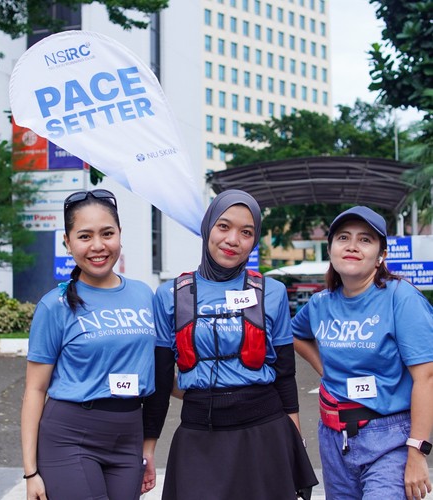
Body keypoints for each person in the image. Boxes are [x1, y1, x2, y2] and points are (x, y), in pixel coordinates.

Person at [142, 189, 318, 500]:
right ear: (207, 228)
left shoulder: (272, 292)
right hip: (199, 434)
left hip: (265, 433)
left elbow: (285, 375)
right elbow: (160, 379)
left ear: (255, 240)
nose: (233, 239)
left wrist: (296, 445)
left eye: (246, 232)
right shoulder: (170, 295)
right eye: (223, 226)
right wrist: (148, 448)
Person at [21, 189, 157, 500]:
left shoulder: (144, 295)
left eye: (107, 233)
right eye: (85, 236)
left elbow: (157, 371)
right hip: (70, 437)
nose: (98, 246)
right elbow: (35, 390)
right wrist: (30, 472)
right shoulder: (54, 305)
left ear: (120, 234)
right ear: (68, 243)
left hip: (128, 434)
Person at [292, 206, 433, 500]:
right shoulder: (320, 304)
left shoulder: (401, 298)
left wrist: (417, 450)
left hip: (389, 438)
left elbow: (426, 378)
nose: (352, 246)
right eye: (343, 237)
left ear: (381, 255)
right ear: (330, 249)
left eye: (365, 239)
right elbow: (294, 334)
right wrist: (325, 369)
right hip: (333, 438)